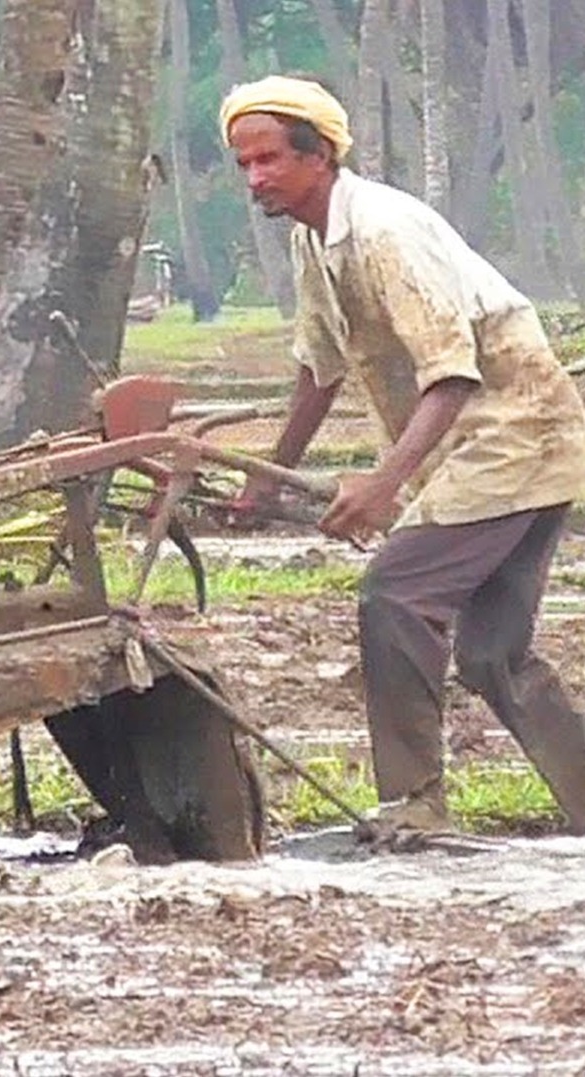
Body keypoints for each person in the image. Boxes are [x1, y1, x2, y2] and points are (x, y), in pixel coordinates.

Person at [219, 74, 585, 840]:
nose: (254, 178)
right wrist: (262, 477)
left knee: (395, 593)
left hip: (515, 435)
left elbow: (452, 373)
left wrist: (382, 485)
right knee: (492, 653)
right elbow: (319, 366)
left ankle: (412, 803)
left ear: (319, 155)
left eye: (268, 160)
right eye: (243, 164)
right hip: (496, 447)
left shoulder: (383, 231)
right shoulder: (311, 237)